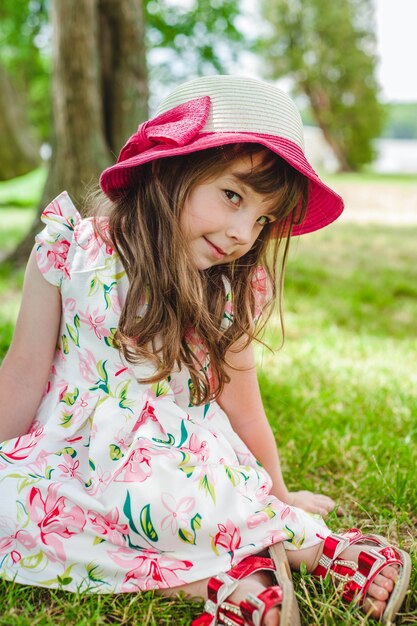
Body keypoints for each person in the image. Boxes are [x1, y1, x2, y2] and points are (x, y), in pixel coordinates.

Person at [0, 76, 410, 626]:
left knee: (167, 502)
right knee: (18, 506)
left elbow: (243, 405)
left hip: (175, 462)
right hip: (71, 453)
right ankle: (224, 583)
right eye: (233, 196)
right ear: (170, 169)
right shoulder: (71, 248)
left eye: (263, 218)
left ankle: (317, 551)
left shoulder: (228, 287)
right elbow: (23, 374)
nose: (244, 232)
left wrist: (280, 493)